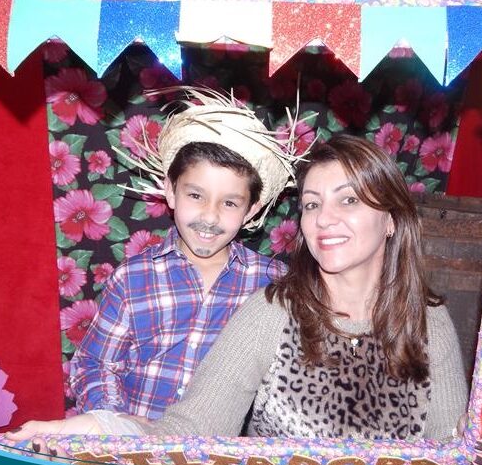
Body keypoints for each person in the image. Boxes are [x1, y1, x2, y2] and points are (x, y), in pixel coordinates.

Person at [8, 135, 482, 465]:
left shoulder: (428, 320)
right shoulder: (272, 309)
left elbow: (448, 458)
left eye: (348, 200)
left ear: (391, 218)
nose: (324, 219)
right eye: (312, 204)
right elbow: (191, 431)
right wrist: (102, 428)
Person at [54, 88, 299, 424]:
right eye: (196, 195)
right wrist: (120, 422)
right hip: (135, 445)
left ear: (252, 210)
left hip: (219, 451)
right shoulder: (134, 277)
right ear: (170, 191)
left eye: (229, 203)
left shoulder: (273, 285)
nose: (210, 216)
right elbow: (94, 364)